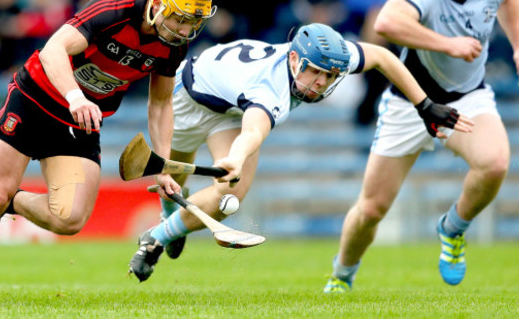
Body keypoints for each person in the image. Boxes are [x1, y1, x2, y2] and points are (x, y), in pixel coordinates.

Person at [0, 0, 216, 304]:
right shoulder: (113, 10)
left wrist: (165, 163)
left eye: (192, 23)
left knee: (69, 219)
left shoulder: (172, 47)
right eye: (178, 18)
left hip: (78, 123)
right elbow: (54, 49)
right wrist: (75, 95)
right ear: (156, 5)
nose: (184, 30)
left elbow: (160, 103)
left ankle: (11, 202)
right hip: (35, 101)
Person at [128, 22, 473, 283]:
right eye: (316, 73)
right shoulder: (271, 89)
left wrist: (425, 105)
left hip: (234, 108)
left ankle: (155, 239)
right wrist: (235, 157)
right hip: (190, 97)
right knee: (175, 172)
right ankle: (169, 211)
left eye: (330, 76)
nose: (321, 83)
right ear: (295, 59)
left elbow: (382, 57)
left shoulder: (328, 55)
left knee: (229, 195)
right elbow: (253, 131)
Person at [323, 0, 519, 293]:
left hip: (468, 97)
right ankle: (342, 273)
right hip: (412, 102)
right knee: (371, 209)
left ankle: (452, 229)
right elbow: (387, 23)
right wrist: (447, 43)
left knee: (495, 163)